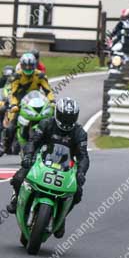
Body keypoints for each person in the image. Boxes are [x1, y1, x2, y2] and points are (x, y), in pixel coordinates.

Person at [7, 98, 89, 237]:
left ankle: (62, 218)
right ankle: (16, 200)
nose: (67, 121)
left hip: (65, 167)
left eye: (70, 118)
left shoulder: (80, 132)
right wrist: (28, 156)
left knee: (77, 193)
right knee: (18, 178)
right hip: (40, 160)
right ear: (57, 113)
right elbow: (33, 141)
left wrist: (81, 172)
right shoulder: (46, 123)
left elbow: (83, 156)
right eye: (64, 117)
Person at [1, 53, 55, 155]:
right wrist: (13, 104)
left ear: (34, 65)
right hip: (19, 104)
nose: (28, 68)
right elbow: (12, 93)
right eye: (26, 66)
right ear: (21, 65)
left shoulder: (40, 75)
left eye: (30, 66)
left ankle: (53, 141)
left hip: (35, 101)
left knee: (51, 116)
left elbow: (48, 91)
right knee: (11, 127)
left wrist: (52, 101)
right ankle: (5, 145)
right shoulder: (16, 76)